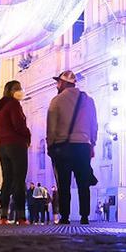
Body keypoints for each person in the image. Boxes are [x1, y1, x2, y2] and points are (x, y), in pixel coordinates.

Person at [45, 70, 98, 224]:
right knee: (83, 183)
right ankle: (84, 216)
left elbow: (51, 127)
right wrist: (92, 143)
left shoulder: (56, 101)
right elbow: (94, 125)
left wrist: (50, 146)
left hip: (63, 146)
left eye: (58, 82)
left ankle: (65, 216)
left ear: (63, 83)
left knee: (64, 184)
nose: (57, 85)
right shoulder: (89, 100)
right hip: (83, 146)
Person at [0, 80, 32, 225]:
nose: (20, 90)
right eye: (17, 88)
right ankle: (21, 217)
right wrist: (27, 136)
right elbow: (19, 125)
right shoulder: (14, 105)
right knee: (19, 181)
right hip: (16, 145)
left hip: (3, 147)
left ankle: (2, 217)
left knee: (7, 181)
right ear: (10, 91)